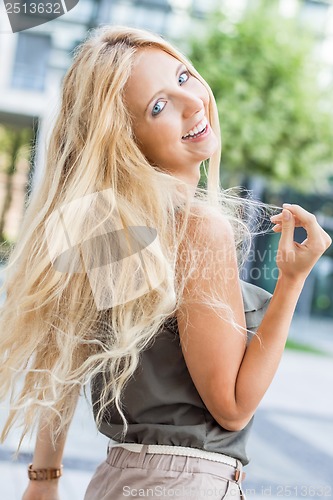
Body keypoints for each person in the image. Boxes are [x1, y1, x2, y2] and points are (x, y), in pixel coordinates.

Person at [0, 25, 331, 500]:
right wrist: (292, 283)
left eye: (183, 76)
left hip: (116, 480)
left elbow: (62, 364)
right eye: (158, 106)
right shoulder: (197, 228)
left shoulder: (109, 235)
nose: (192, 102)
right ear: (124, 139)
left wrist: (44, 481)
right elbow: (233, 407)